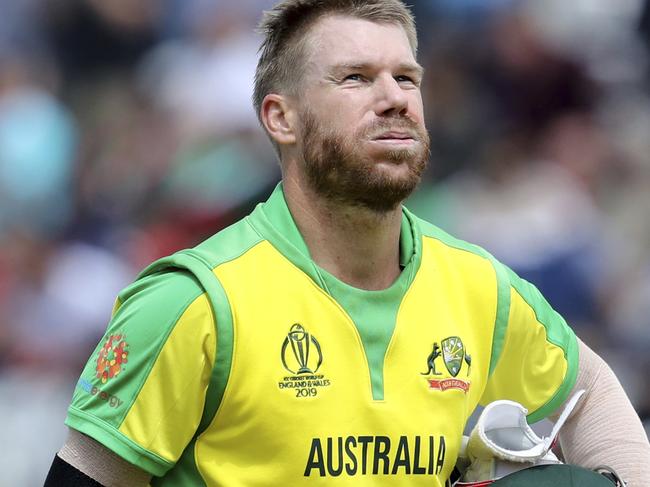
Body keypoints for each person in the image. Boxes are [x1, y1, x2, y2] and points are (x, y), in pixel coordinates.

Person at [45, 1, 650, 486]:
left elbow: (589, 388)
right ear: (281, 118)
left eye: (406, 77)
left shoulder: (477, 286)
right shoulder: (196, 301)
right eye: (356, 78)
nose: (394, 97)